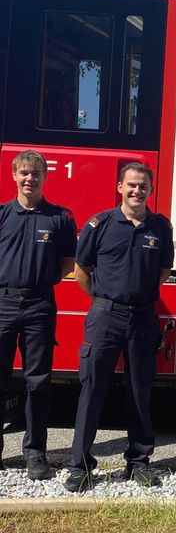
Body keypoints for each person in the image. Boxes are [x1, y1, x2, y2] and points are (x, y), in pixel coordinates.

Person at [65, 162, 174, 491]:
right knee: (92, 390)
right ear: (119, 187)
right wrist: (103, 300)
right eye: (131, 185)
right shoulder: (100, 224)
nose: (137, 190)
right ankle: (79, 466)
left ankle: (139, 462)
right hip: (105, 317)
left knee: (139, 391)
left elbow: (163, 271)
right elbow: (81, 270)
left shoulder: (159, 227)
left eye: (143, 186)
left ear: (150, 190)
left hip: (142, 318)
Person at [0, 150, 76, 480]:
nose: (30, 178)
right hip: (2, 303)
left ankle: (35, 453)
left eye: (36, 173)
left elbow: (67, 265)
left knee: (38, 382)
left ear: (45, 177)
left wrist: (39, 282)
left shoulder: (60, 218)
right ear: (14, 175)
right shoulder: (2, 215)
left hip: (39, 305)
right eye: (24, 173)